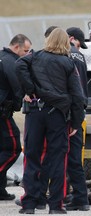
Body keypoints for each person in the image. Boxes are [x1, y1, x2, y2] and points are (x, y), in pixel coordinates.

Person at [16, 28, 85, 214]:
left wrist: (30, 90)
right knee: (57, 160)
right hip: (57, 115)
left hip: (35, 113)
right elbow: (78, 97)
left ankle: (29, 204)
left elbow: (19, 65)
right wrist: (76, 123)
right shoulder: (68, 63)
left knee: (32, 158)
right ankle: (56, 206)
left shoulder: (35, 56)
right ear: (65, 42)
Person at [0, 34, 32, 201]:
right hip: (2, 113)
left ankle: (0, 190)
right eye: (25, 51)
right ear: (16, 47)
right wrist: (29, 95)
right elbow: (18, 86)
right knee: (12, 150)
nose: (27, 54)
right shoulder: (12, 62)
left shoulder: (2, 57)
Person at [64, 27, 89, 211]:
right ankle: (80, 198)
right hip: (78, 112)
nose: (79, 48)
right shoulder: (80, 57)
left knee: (63, 158)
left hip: (68, 113)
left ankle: (69, 196)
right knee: (74, 159)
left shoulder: (67, 55)